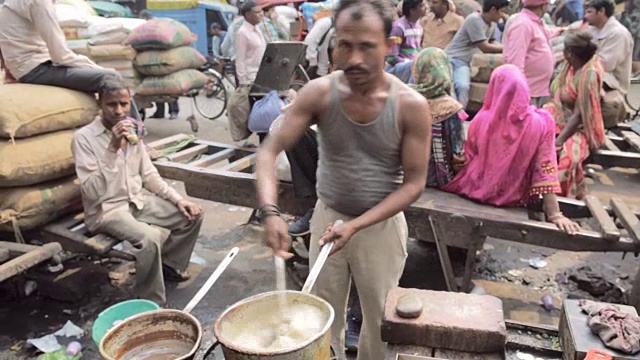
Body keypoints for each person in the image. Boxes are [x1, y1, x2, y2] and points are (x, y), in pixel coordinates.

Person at [256, 0, 432, 359]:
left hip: (379, 228)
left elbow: (414, 184)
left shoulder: (410, 105)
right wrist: (270, 213)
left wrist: (356, 225)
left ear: (388, 45)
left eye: (366, 46)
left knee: (380, 321)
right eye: (344, 44)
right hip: (327, 219)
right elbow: (268, 151)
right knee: (319, 320)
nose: (353, 59)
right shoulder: (319, 93)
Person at [71, 77, 203, 305]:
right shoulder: (84, 138)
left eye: (124, 104)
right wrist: (112, 149)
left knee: (191, 215)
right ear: (99, 104)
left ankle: (170, 266)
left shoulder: (133, 132)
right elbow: (92, 192)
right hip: (107, 210)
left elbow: (149, 175)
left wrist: (179, 199)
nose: (119, 110)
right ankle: (152, 301)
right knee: (150, 238)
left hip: (136, 201)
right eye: (112, 104)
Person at [443, 65, 581, 234]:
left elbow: (469, 159)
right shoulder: (541, 122)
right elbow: (545, 167)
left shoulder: (481, 120)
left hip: (472, 188)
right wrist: (555, 214)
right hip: (512, 196)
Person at [0, 0, 119, 93]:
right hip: (35, 70)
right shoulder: (39, 3)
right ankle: (133, 124)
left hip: (28, 68)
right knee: (111, 77)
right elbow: (61, 56)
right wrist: (96, 67)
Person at [543, 30, 605, 199]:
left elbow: (579, 115)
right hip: (557, 114)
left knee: (567, 160)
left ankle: (560, 200)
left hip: (579, 126)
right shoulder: (570, 66)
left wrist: (559, 141)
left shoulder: (588, 74)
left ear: (569, 52)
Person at [411, 47, 466, 188]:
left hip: (408, 174)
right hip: (440, 179)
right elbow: (457, 154)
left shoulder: (407, 98)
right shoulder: (451, 108)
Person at [445, 0, 508, 108]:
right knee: (456, 87)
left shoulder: (492, 24)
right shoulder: (474, 20)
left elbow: (492, 41)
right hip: (453, 58)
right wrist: (509, 48)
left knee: (463, 86)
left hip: (465, 62)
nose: (502, 15)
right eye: (501, 11)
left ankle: (460, 116)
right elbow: (485, 47)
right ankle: (453, 115)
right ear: (493, 10)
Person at [584, 0, 633, 126]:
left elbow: (605, 64)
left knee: (580, 82)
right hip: (596, 74)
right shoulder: (594, 29)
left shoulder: (618, 34)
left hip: (611, 82)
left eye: (589, 12)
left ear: (602, 12)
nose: (585, 16)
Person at [503, 0, 559, 106]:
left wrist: (564, 30)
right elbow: (515, 62)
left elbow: (547, 34)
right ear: (543, 6)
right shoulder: (522, 25)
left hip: (539, 90)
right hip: (528, 92)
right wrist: (520, 93)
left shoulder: (535, 22)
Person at [227, 0, 267, 142]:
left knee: (264, 110)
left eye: (261, 11)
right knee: (256, 111)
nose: (261, 14)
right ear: (248, 14)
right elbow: (241, 59)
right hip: (250, 79)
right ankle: (260, 139)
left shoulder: (258, 30)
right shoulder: (243, 33)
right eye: (257, 12)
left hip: (261, 76)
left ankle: (264, 139)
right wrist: (243, 82)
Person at [137, 10, 180, 120]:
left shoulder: (158, 27)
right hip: (153, 60)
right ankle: (159, 112)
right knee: (156, 87)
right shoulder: (146, 29)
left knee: (168, 87)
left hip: (165, 60)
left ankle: (173, 110)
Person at [386, 0, 427, 83]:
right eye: (421, 6)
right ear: (412, 10)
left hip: (413, 65)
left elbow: (417, 49)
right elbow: (392, 57)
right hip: (398, 68)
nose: (426, 7)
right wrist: (411, 62)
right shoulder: (398, 28)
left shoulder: (419, 27)